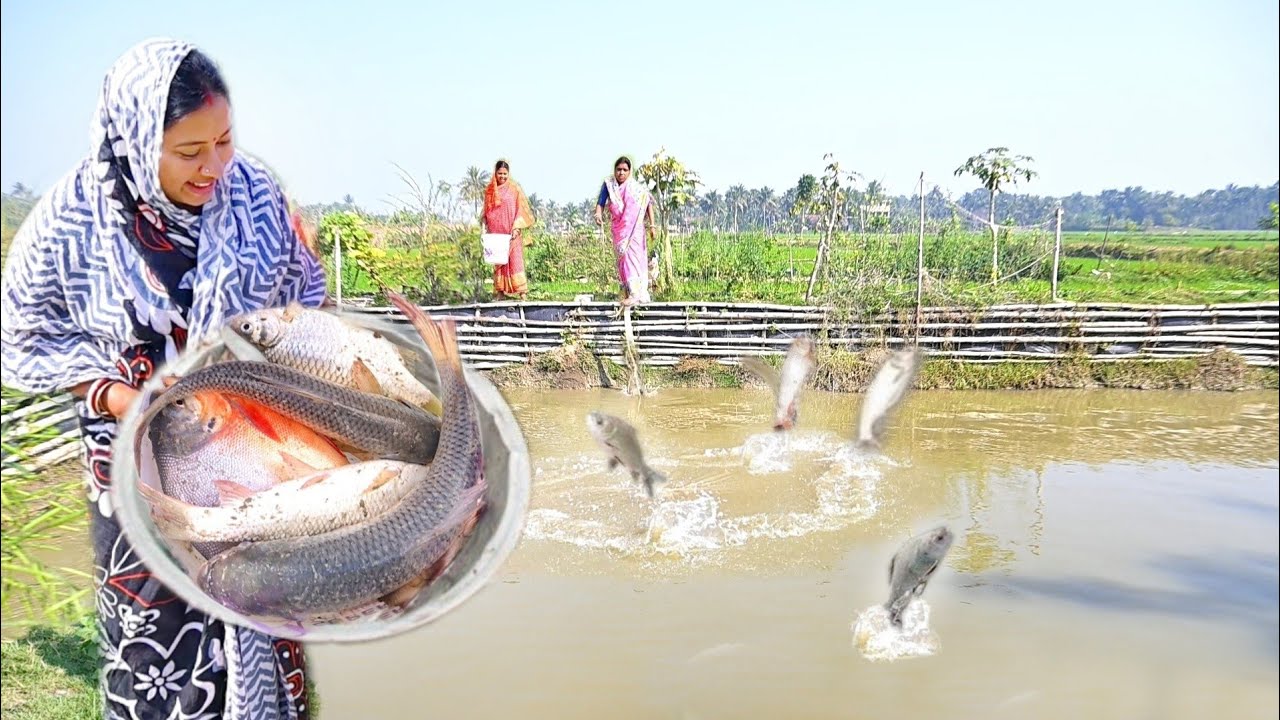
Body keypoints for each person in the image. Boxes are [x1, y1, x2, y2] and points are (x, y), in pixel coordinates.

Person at [0, 38, 325, 719]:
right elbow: (22, 338)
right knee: (159, 652)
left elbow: (304, 302)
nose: (215, 166)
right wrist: (117, 395)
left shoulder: (255, 198)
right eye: (189, 152)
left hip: (240, 445)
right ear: (135, 139)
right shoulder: (70, 222)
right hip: (134, 464)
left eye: (226, 140)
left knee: (259, 614)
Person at [594, 156, 657, 305]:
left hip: (635, 231)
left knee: (633, 259)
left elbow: (647, 204)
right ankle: (627, 291)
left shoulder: (636, 188)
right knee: (623, 261)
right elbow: (601, 202)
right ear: (614, 171)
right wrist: (598, 214)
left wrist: (652, 226)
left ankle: (636, 293)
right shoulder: (609, 185)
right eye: (618, 170)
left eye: (624, 170)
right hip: (619, 230)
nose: (621, 173)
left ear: (629, 172)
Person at [480, 159, 536, 301]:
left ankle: (522, 292)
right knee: (499, 262)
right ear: (495, 173)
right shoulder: (490, 191)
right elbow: (486, 211)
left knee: (515, 260)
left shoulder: (514, 189)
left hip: (512, 233)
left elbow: (521, 209)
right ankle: (500, 291)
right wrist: (485, 228)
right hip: (497, 234)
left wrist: (517, 227)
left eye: (505, 174)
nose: (502, 177)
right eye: (500, 174)